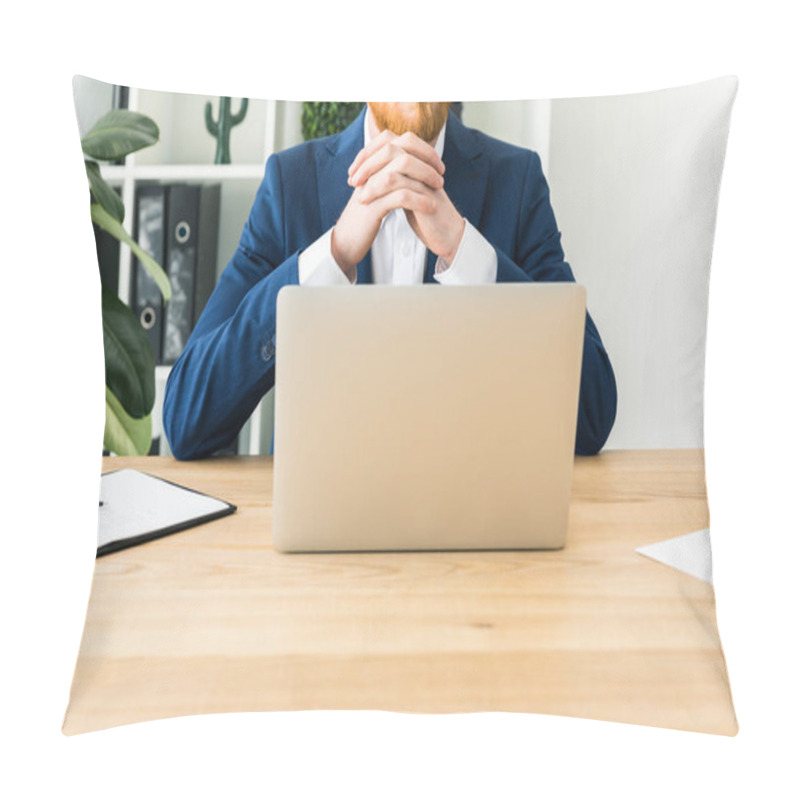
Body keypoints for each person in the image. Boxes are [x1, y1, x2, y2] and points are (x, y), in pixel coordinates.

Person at [163, 102, 617, 460]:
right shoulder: (291, 183)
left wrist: (465, 251)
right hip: (320, 541)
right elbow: (187, 418)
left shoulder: (516, 181)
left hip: (475, 541)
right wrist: (333, 253)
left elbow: (590, 416)